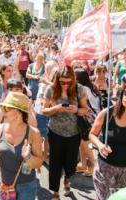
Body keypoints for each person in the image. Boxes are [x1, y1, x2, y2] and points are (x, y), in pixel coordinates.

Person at [0, 92, 42, 200]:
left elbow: (39, 163)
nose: (2, 111)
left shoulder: (34, 133)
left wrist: (28, 157)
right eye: (2, 107)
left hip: (27, 187)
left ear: (19, 112)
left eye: (7, 108)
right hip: (4, 185)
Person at [42, 66, 88, 200]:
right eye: (62, 82)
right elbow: (44, 111)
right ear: (57, 79)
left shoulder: (79, 89)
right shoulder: (51, 89)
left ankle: (67, 179)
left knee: (71, 164)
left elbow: (85, 109)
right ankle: (55, 192)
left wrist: (77, 110)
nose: (66, 85)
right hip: (55, 132)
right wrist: (55, 108)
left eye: (69, 82)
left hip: (73, 134)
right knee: (55, 164)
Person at [75, 68, 100, 176]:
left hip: (93, 120)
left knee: (84, 144)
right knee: (82, 142)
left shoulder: (83, 88)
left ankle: (94, 166)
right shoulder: (89, 86)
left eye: (74, 76)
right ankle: (83, 165)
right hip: (91, 119)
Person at [34, 63, 58, 165]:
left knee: (48, 137)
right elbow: (43, 99)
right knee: (41, 137)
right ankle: (39, 156)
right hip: (41, 113)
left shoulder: (53, 86)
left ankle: (44, 156)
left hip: (50, 113)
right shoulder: (45, 85)